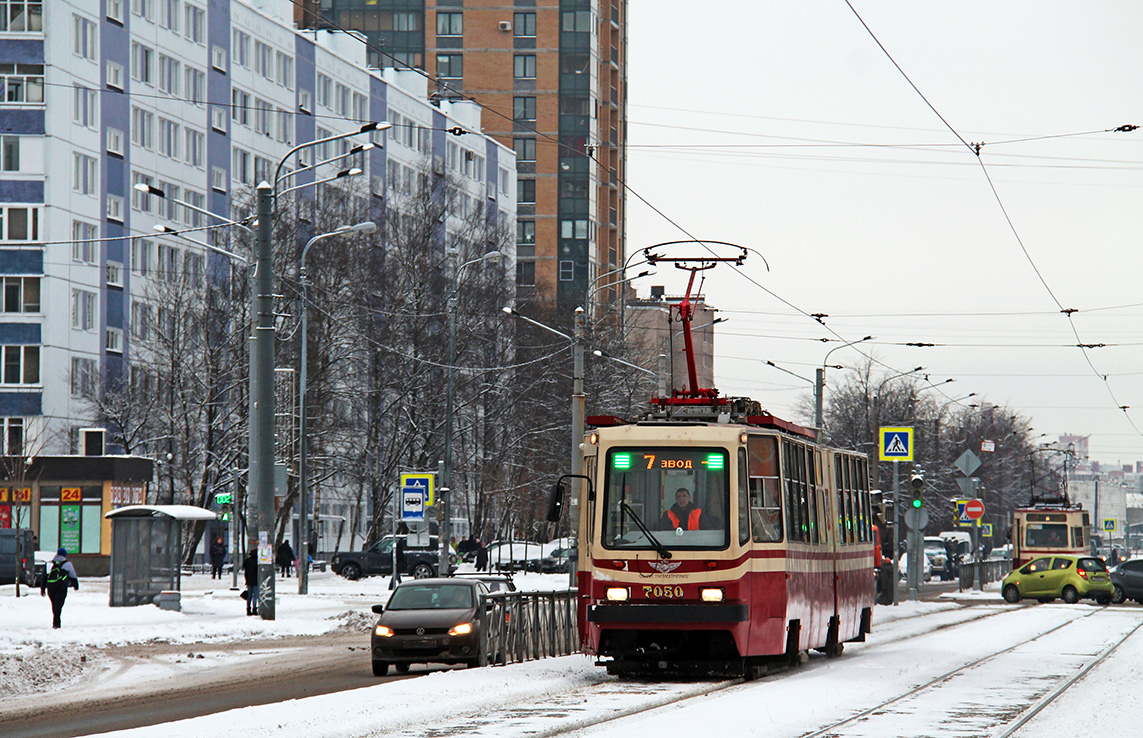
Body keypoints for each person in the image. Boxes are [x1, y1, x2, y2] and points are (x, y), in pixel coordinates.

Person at [40, 548, 79, 629]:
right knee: (59, 604)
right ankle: (57, 622)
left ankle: (56, 621)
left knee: (54, 604)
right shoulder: (67, 564)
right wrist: (76, 585)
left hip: (51, 587)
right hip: (61, 587)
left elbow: (44, 577)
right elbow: (73, 576)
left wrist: (43, 589)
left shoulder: (49, 564)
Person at [242, 550, 258, 616]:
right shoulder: (257, 561)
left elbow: (245, 570)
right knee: (255, 596)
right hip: (256, 581)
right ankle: (254, 609)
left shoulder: (247, 561)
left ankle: (248, 609)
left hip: (249, 580)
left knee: (249, 595)